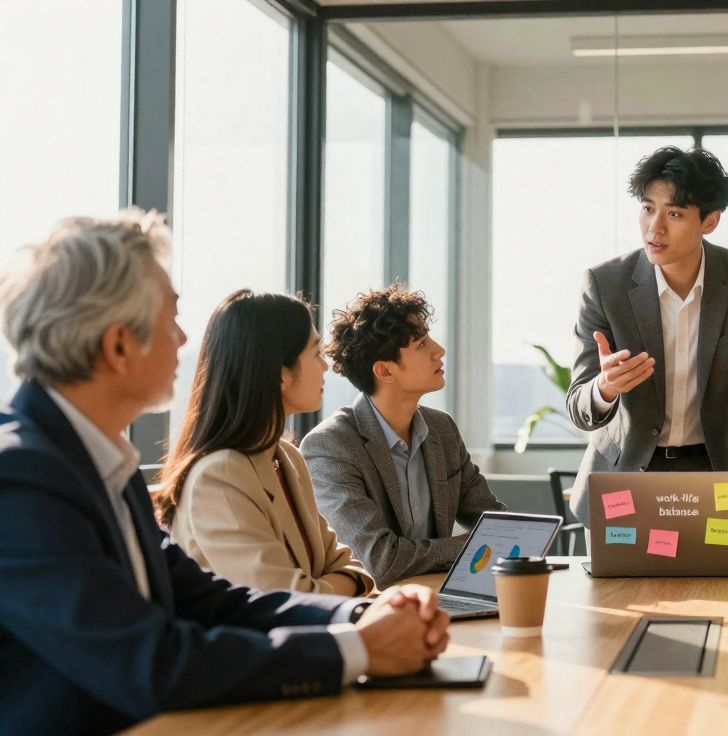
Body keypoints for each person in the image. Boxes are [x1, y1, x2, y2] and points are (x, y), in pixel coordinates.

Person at [0, 212, 450, 733]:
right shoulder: (23, 479)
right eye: (170, 319)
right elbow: (154, 662)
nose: (186, 338)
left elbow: (212, 600)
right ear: (119, 345)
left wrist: (359, 617)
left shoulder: (100, 462)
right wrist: (357, 648)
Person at [565, 145, 728, 561]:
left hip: (711, 480)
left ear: (709, 222)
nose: (654, 228)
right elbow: (579, 407)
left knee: (726, 605)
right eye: (647, 208)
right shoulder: (606, 284)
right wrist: (604, 387)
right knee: (616, 611)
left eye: (673, 214)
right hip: (624, 481)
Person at [156, 290, 374, 596]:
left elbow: (350, 566)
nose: (325, 366)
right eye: (314, 354)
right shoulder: (219, 476)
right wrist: (346, 584)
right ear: (280, 375)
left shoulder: (287, 457)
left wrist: (338, 583)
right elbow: (285, 601)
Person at [302, 285, 505, 588]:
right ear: (384, 371)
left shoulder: (442, 430)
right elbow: (380, 560)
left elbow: (498, 523)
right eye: (422, 344)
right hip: (378, 614)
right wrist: (473, 546)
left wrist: (503, 538)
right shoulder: (331, 446)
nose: (439, 349)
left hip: (441, 599)